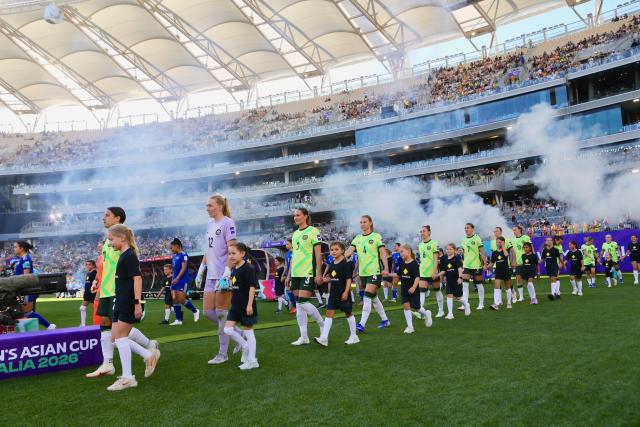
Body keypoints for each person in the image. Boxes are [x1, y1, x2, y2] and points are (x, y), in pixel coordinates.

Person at [87, 207, 157, 379]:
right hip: (105, 289)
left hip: (116, 290)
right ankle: (108, 363)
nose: (103, 218)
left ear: (117, 218)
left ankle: (148, 348)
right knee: (105, 323)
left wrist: (135, 299)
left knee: (118, 330)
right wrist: (97, 279)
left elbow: (132, 271)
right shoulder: (107, 241)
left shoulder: (121, 242)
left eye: (107, 215)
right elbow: (104, 265)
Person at [106, 224, 160, 391]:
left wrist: (137, 303)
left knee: (121, 339)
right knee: (115, 340)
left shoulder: (129, 255)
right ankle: (148, 355)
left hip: (128, 302)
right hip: (120, 301)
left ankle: (128, 378)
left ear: (122, 237)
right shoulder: (123, 255)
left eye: (111, 240)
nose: (110, 243)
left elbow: (137, 280)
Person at [195, 195, 238, 365]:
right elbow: (208, 250)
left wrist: (227, 273)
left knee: (221, 314)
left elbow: (232, 250)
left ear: (219, 206)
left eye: (210, 205)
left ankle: (222, 353)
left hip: (223, 274)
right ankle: (237, 333)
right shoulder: (209, 225)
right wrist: (201, 269)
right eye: (207, 206)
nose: (207, 208)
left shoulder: (228, 223)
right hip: (211, 274)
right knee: (208, 312)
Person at [285, 208, 325, 346]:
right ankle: (304, 337)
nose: (295, 217)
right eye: (294, 215)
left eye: (298, 215)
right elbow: (294, 257)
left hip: (308, 271)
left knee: (302, 302)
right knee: (299, 305)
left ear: (305, 216)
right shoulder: (295, 234)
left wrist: (318, 273)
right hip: (296, 273)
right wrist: (289, 275)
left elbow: (318, 255)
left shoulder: (313, 232)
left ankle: (322, 325)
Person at [345, 215, 391, 333]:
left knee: (366, 296)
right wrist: (338, 257)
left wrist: (385, 267)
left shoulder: (376, 236)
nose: (362, 224)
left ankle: (361, 324)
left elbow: (382, 254)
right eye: (360, 222)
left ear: (370, 223)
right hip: (363, 273)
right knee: (373, 297)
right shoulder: (357, 238)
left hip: (374, 271)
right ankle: (385, 320)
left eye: (364, 222)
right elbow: (348, 253)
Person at [222, 242, 259, 370]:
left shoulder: (249, 268)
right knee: (227, 329)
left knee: (249, 332)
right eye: (229, 254)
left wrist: (249, 305)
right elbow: (234, 288)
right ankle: (245, 346)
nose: (231, 256)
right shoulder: (234, 269)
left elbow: (252, 288)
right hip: (235, 306)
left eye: (233, 253)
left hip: (246, 306)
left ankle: (253, 360)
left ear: (242, 254)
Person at [315, 241, 359, 346]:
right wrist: (324, 280)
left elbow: (348, 279)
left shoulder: (346, 263)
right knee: (329, 314)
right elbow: (333, 277)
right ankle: (324, 338)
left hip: (343, 293)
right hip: (333, 294)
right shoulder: (331, 263)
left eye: (336, 249)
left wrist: (346, 292)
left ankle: (354, 336)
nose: (334, 251)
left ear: (343, 251)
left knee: (348, 313)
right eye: (332, 250)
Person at [14, 241, 55, 330]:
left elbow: (26, 277)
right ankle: (47, 327)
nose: (15, 249)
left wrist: (14, 281)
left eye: (16, 247)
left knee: (27, 312)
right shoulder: (22, 259)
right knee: (23, 312)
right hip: (22, 290)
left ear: (21, 248)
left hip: (26, 290)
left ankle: (49, 326)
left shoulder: (26, 259)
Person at [396, 244, 432, 333]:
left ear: (408, 251)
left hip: (414, 290)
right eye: (400, 252)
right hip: (404, 290)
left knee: (417, 308)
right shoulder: (402, 264)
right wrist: (387, 274)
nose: (400, 254)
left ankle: (426, 314)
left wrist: (413, 287)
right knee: (406, 306)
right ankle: (410, 327)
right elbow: (398, 275)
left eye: (402, 252)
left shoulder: (414, 263)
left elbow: (417, 277)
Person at [169, 238, 199, 326]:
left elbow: (184, 268)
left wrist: (177, 278)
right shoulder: (174, 256)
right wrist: (173, 279)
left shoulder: (184, 255)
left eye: (172, 248)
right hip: (174, 280)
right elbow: (174, 270)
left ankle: (195, 310)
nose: (171, 250)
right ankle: (178, 320)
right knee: (174, 299)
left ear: (177, 246)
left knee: (181, 299)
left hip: (182, 280)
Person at [460, 223, 488, 310]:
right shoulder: (463, 240)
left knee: (479, 284)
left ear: (472, 229)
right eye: (465, 228)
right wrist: (463, 263)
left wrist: (484, 264)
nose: (466, 229)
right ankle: (465, 304)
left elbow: (482, 252)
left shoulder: (477, 238)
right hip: (467, 265)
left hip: (476, 265)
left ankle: (481, 303)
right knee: (464, 284)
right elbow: (465, 253)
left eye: (467, 228)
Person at [417, 225, 443, 317]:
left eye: (424, 231)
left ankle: (441, 310)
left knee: (437, 290)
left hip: (432, 271)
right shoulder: (420, 245)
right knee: (422, 291)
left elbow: (436, 259)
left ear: (429, 232)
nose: (422, 233)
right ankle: (420, 312)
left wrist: (434, 271)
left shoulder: (434, 243)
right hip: (423, 271)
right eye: (421, 231)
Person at [438, 243, 468, 319]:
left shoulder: (457, 258)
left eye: (450, 249)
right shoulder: (444, 259)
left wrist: (460, 278)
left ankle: (466, 305)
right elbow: (444, 270)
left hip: (457, 281)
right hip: (449, 281)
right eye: (447, 249)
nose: (448, 250)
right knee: (449, 296)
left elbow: (460, 269)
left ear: (454, 250)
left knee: (458, 298)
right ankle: (450, 314)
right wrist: (437, 275)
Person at [489, 236, 513, 310]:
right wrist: (487, 267)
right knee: (496, 287)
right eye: (497, 242)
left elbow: (506, 256)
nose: (498, 243)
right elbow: (491, 263)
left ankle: (509, 303)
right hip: (498, 271)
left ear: (503, 243)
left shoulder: (505, 251)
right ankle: (496, 304)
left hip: (506, 271)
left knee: (507, 288)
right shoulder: (494, 253)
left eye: (500, 242)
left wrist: (503, 246)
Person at [511, 225, 532, 302]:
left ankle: (532, 296)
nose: (514, 231)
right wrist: (513, 261)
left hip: (527, 262)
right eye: (513, 230)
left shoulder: (526, 238)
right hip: (518, 263)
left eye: (515, 230)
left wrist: (532, 258)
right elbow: (513, 252)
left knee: (528, 280)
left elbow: (531, 248)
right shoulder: (512, 240)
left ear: (520, 230)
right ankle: (521, 297)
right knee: (518, 279)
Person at [80, 260, 97, 327]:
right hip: (87, 294)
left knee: (97, 309)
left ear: (93, 265)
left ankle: (100, 323)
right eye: (86, 264)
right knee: (82, 308)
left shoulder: (95, 272)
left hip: (93, 294)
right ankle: (83, 325)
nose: (87, 266)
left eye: (89, 264)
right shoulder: (88, 273)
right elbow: (87, 284)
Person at [284, 239, 296, 314]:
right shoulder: (287, 253)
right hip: (288, 274)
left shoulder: (295, 252)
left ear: (292, 244)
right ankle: (295, 306)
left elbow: (292, 265)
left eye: (287, 244)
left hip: (294, 274)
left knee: (294, 290)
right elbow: (286, 265)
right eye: (286, 244)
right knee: (288, 290)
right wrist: (284, 275)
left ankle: (296, 306)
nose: (286, 245)